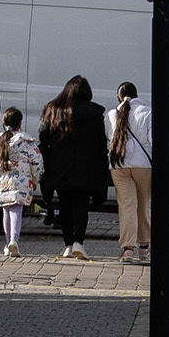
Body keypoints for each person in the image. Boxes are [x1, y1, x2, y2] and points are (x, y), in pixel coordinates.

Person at [39, 73, 108, 263]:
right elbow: (102, 143)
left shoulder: (54, 110)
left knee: (65, 205)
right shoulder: (94, 113)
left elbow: (43, 139)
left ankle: (68, 245)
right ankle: (79, 242)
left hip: (60, 166)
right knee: (81, 206)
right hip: (86, 167)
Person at [0, 106, 40, 255]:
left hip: (0, 184)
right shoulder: (27, 141)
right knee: (16, 210)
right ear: (20, 123)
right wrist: (35, 180)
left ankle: (8, 242)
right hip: (20, 183)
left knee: (6, 212)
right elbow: (37, 162)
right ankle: (14, 240)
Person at [109, 80, 154, 265]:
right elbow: (152, 140)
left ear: (118, 97)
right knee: (144, 204)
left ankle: (127, 249)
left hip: (119, 166)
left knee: (127, 205)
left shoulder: (112, 114)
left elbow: (109, 140)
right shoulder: (148, 113)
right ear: (137, 95)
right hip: (144, 166)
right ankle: (144, 247)